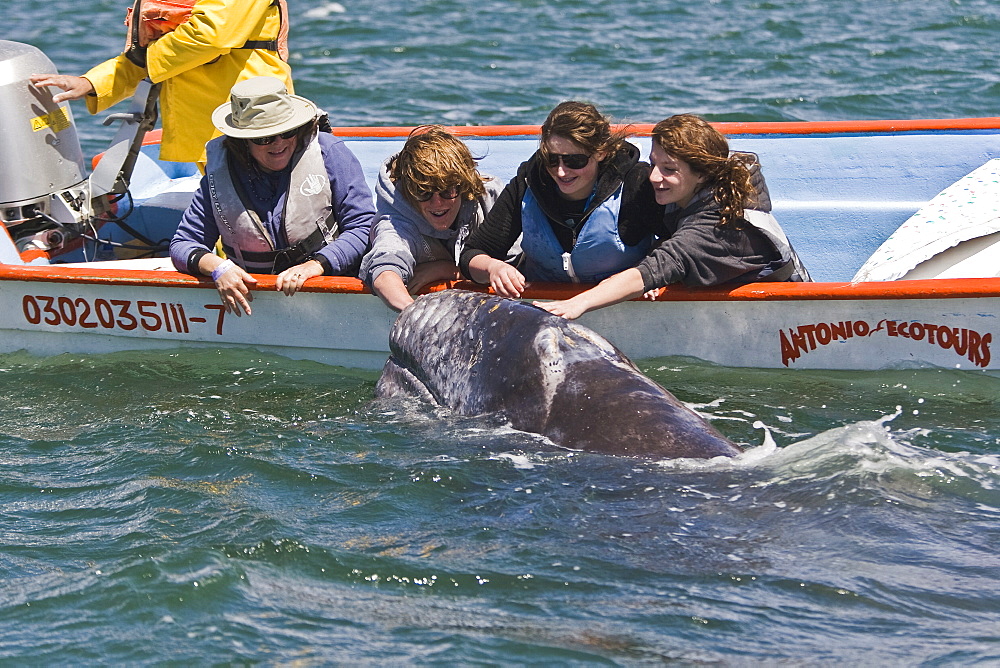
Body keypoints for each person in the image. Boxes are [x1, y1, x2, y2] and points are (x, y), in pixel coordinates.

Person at [536, 113, 811, 319]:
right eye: (655, 164)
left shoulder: (723, 225)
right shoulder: (690, 193)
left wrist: (577, 304)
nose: (654, 177)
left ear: (702, 173)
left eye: (669, 169)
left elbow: (661, 265)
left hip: (792, 318)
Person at [169, 76, 374, 316]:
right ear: (242, 141)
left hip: (329, 288)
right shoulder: (219, 172)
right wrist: (218, 268)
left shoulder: (330, 153)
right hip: (251, 302)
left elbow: (363, 226)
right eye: (264, 138)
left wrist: (315, 265)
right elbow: (183, 244)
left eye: (288, 132)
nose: (278, 143)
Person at [30, 0, 292, 166]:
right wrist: (91, 82)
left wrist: (134, 65)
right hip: (206, 123)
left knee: (254, 220)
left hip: (251, 115)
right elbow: (156, 52)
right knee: (230, 217)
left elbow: (211, 36)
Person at [458, 101, 663, 298]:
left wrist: (647, 272)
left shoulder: (636, 184)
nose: (561, 172)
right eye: (552, 159)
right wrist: (493, 267)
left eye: (575, 161)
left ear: (601, 153)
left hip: (622, 305)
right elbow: (472, 255)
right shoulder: (529, 182)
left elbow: (678, 246)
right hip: (544, 309)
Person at [359, 126, 505, 311]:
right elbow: (385, 269)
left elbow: (515, 266)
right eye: (423, 192)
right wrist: (413, 313)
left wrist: (446, 269)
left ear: (464, 185)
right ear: (410, 191)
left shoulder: (490, 196)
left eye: (447, 191)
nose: (437, 203)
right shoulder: (396, 220)